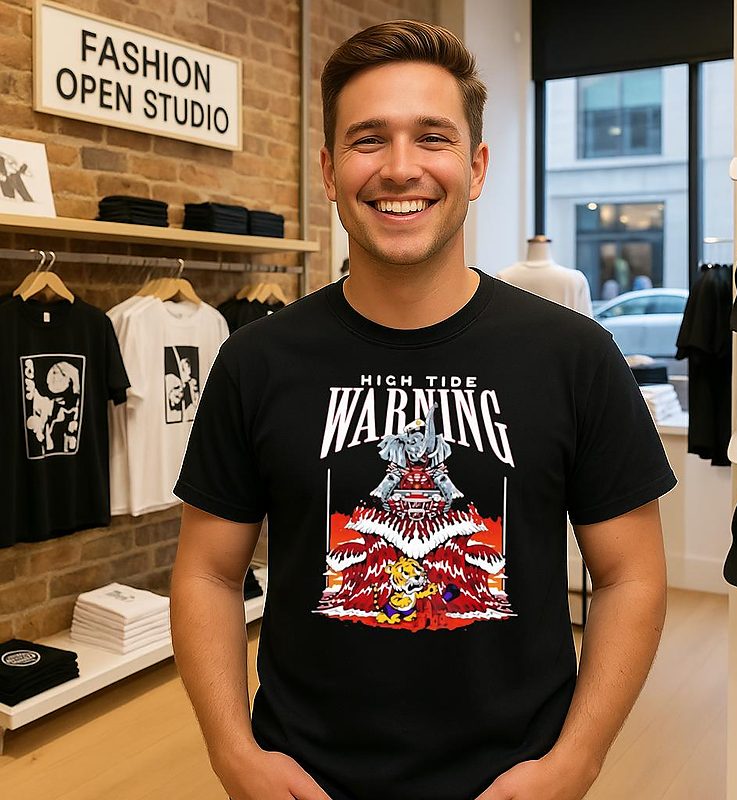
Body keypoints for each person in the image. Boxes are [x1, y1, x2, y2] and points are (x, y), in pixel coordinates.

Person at [170, 19, 676, 800]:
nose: (400, 168)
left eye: (432, 137)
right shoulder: (256, 361)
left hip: (516, 779)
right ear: (329, 170)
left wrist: (578, 758)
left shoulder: (574, 356)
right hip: (304, 778)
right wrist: (232, 751)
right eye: (368, 139)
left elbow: (629, 575)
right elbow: (207, 572)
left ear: (476, 167)